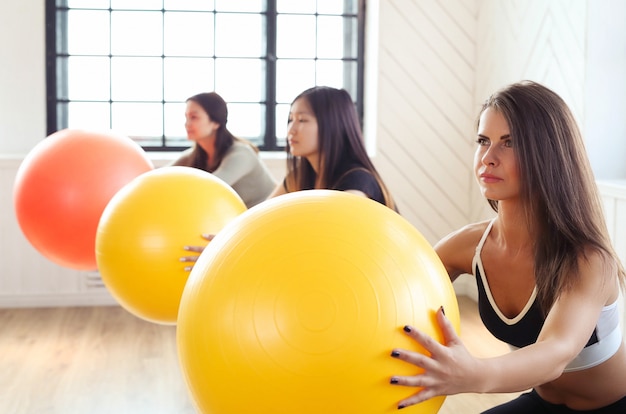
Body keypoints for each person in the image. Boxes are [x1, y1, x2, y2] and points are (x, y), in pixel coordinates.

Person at [389, 81, 626, 412]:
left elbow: (557, 351)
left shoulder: (588, 260)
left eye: (509, 143)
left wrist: (473, 374)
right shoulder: (469, 246)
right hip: (541, 404)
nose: (488, 157)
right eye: (483, 141)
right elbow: (396, 292)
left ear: (548, 154)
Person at [180, 86, 397, 269]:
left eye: (302, 120)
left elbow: (324, 242)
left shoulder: (357, 183)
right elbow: (255, 222)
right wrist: (220, 247)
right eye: (290, 119)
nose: (291, 130)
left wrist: (232, 252)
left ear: (333, 126)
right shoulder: (300, 176)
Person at [170, 92, 276, 208]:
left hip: (268, 217)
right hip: (239, 219)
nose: (187, 124)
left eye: (194, 117)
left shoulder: (241, 154)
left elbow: (210, 187)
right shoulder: (193, 156)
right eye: (186, 117)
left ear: (216, 122)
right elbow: (160, 177)